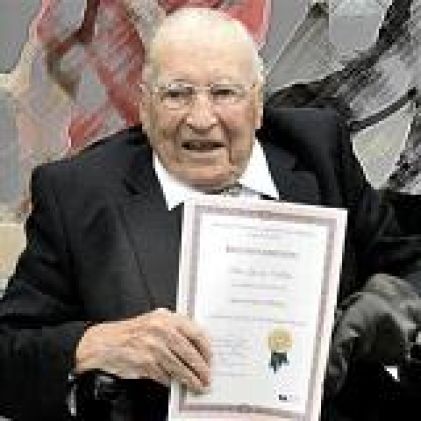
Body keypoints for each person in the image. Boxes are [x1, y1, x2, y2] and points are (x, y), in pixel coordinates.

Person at [1, 7, 421, 421]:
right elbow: (8, 356)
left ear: (257, 104)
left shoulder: (318, 150)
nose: (201, 119)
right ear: (145, 107)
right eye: (177, 94)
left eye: (224, 93)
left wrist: (393, 301)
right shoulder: (80, 191)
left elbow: (410, 267)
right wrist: (97, 344)